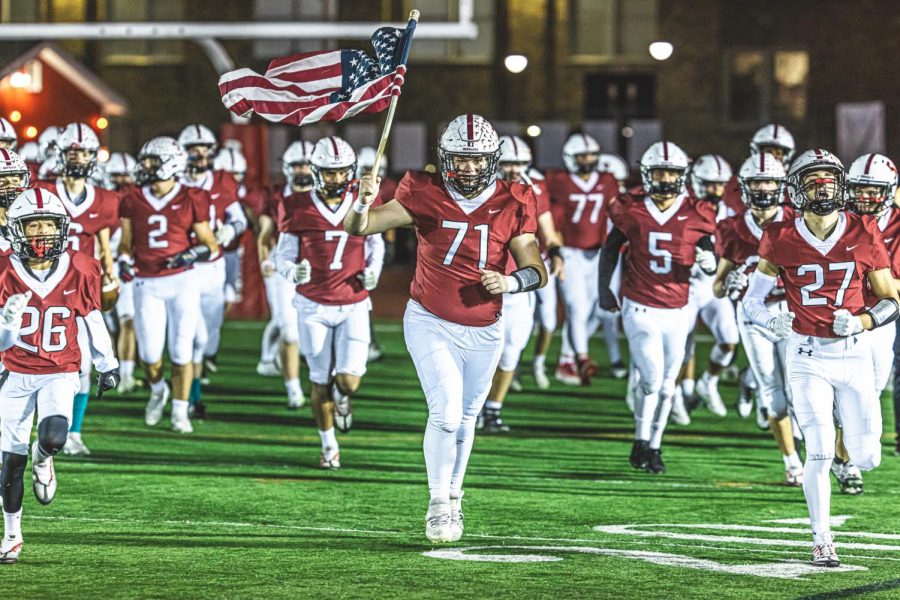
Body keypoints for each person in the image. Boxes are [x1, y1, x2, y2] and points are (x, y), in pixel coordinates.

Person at [344, 114, 546, 543]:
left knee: (468, 416)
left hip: (485, 325)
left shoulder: (515, 199)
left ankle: (455, 494)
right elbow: (360, 227)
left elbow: (536, 269)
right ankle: (437, 502)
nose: (469, 168)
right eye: (460, 159)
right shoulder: (423, 191)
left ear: (492, 160)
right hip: (430, 319)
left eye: (477, 160)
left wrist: (510, 281)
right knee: (447, 413)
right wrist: (361, 202)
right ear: (445, 158)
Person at [741, 148, 898, 567]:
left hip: (854, 353)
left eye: (829, 177)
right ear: (796, 188)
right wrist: (768, 321)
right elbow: (750, 302)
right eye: (813, 179)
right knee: (821, 451)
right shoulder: (779, 235)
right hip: (806, 354)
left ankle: (851, 440)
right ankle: (822, 540)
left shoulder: (864, 231)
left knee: (867, 456)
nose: (822, 185)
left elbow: (892, 300)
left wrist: (863, 321)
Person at [0, 189, 119, 564]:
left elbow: (92, 316)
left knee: (53, 437)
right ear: (17, 229)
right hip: (13, 371)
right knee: (9, 462)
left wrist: (107, 363)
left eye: (48, 224)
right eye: (33, 224)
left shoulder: (80, 266)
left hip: (60, 369)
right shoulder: (4, 269)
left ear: (62, 227)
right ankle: (12, 534)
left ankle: (44, 459)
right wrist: (7, 326)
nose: (41, 232)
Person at [599, 141, 717, 474]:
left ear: (683, 175)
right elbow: (609, 251)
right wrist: (604, 291)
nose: (665, 179)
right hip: (640, 306)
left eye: (671, 172)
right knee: (650, 378)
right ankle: (640, 435)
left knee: (668, 384)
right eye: (659, 172)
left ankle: (652, 445)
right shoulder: (629, 207)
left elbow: (712, 259)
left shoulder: (698, 211)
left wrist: (711, 263)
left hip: (678, 309)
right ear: (647, 174)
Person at [274, 136, 383, 468]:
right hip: (313, 305)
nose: (336, 179)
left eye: (341, 172)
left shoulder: (361, 202)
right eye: (329, 172)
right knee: (319, 379)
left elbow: (375, 245)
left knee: (348, 380)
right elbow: (282, 256)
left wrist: (373, 271)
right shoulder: (296, 205)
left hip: (352, 301)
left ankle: (343, 399)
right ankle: (329, 446)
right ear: (316, 171)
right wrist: (293, 272)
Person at [712, 153, 803, 485]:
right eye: (757, 182)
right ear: (745, 187)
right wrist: (729, 283)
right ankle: (791, 461)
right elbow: (717, 287)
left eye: (769, 182)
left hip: (793, 313)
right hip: (754, 317)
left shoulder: (798, 220)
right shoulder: (733, 228)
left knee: (798, 389)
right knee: (774, 393)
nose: (764, 189)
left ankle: (818, 454)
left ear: (780, 187)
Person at [118, 136, 219, 434]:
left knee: (181, 351)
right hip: (146, 282)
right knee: (149, 357)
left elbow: (210, 245)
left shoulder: (192, 197)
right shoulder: (132, 198)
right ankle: (158, 389)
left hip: (182, 281)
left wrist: (190, 253)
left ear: (171, 165)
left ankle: (179, 410)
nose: (146, 166)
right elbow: (126, 242)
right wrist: (123, 259)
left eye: (153, 161)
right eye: (146, 160)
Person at [34, 122, 119, 456]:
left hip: (76, 290)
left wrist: (110, 274)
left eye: (85, 152)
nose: (80, 158)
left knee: (80, 362)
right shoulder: (42, 189)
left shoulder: (105, 199)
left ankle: (74, 432)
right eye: (73, 151)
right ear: (61, 153)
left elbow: (103, 242)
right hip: (38, 283)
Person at [479, 135, 563, 430]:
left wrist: (556, 253)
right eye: (508, 163)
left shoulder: (534, 189)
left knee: (512, 351)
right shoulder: (479, 188)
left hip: (517, 284)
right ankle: (473, 408)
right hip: (483, 283)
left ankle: (493, 409)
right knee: (479, 354)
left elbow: (548, 232)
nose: (514, 169)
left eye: (520, 164)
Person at [179, 125, 248, 415]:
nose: (199, 154)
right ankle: (191, 398)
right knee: (191, 336)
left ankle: (191, 382)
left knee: (208, 335)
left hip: (214, 266)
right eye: (193, 149)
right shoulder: (173, 181)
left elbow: (240, 220)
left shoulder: (222, 181)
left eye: (204, 148)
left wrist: (228, 232)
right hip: (184, 268)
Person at [546, 133, 621, 385]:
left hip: (597, 253)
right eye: (582, 156)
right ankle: (581, 357)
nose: (588, 160)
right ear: (570, 158)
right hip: (569, 252)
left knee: (588, 307)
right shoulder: (558, 181)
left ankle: (567, 359)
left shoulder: (608, 180)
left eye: (591, 155)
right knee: (576, 307)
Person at [257, 140, 314, 408]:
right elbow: (265, 233)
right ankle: (293, 389)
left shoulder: (326, 193)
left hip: (317, 267)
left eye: (306, 164)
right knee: (288, 330)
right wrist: (265, 260)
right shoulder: (276, 195)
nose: (303, 169)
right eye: (297, 164)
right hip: (283, 264)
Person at [683, 154, 740, 419]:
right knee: (684, 344)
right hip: (685, 283)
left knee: (729, 340)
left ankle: (709, 382)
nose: (716, 190)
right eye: (710, 184)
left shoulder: (728, 214)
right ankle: (682, 393)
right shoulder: (683, 210)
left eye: (720, 184)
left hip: (713, 284)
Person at [104, 152, 141, 393]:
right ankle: (112, 371)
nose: (123, 183)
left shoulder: (139, 202)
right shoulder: (102, 202)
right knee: (107, 325)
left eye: (126, 178)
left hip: (127, 265)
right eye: (117, 177)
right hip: (105, 267)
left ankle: (125, 374)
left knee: (128, 320)